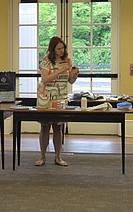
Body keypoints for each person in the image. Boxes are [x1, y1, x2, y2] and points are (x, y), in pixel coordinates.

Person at [35, 36, 79, 167]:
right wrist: (61, 70)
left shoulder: (67, 61)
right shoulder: (46, 61)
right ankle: (42, 156)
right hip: (47, 97)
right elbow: (45, 79)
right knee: (44, 126)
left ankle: (58, 156)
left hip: (61, 97)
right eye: (58, 48)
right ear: (52, 49)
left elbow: (69, 80)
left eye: (63, 48)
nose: (61, 50)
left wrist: (74, 75)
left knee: (58, 126)